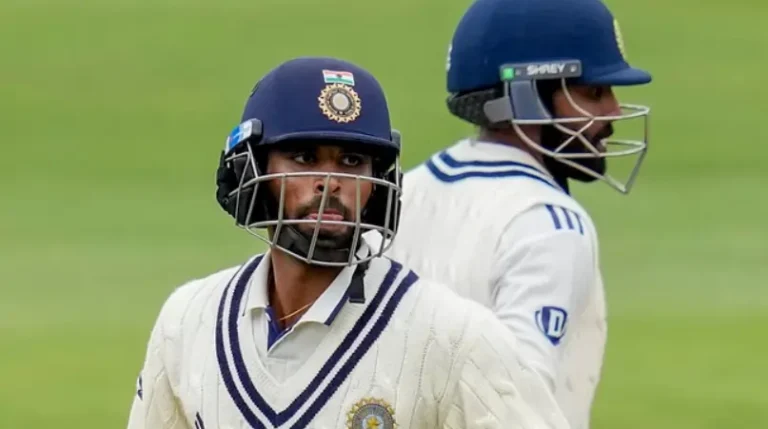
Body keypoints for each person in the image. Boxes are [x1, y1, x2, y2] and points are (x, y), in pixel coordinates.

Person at [126, 56, 571, 429]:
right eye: (304, 157)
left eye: (352, 161)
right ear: (251, 171)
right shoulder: (188, 320)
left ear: (378, 182)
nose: (330, 181)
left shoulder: (454, 337)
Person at [380, 0, 653, 428]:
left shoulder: (402, 195)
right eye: (594, 93)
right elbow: (513, 404)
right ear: (526, 96)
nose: (613, 111)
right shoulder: (548, 224)